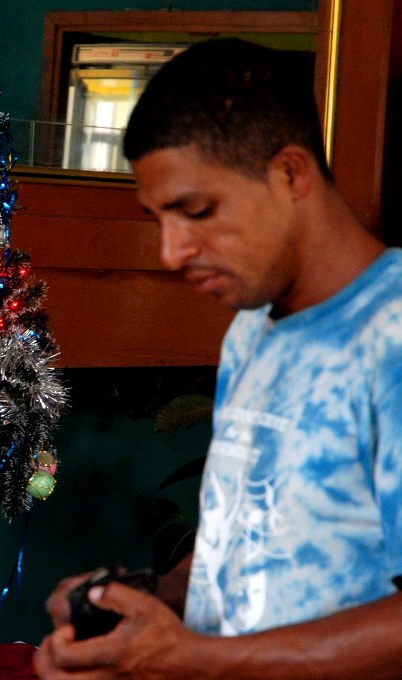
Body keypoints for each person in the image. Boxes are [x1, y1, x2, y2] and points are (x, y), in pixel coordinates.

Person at [34, 38, 402, 679]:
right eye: (157, 219)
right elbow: (246, 535)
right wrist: (142, 600)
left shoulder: (392, 336)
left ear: (291, 173)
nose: (170, 254)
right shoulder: (251, 331)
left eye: (196, 211)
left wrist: (198, 661)